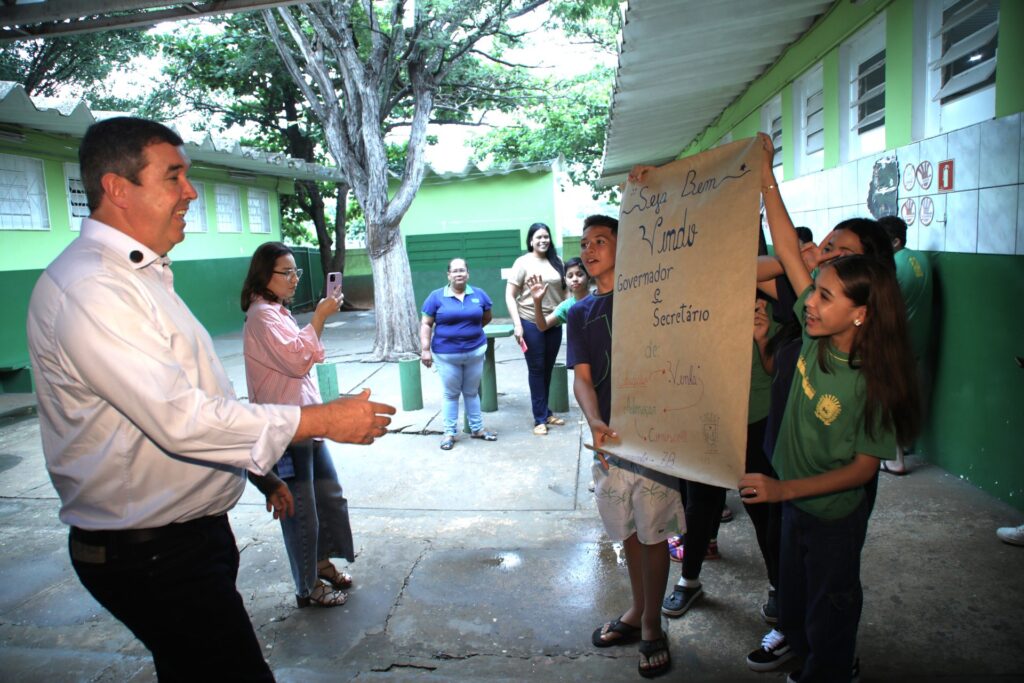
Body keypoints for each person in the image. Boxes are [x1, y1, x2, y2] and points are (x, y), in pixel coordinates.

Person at [26, 117, 395, 682]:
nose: (190, 192)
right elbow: (181, 420)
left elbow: (200, 400)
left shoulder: (141, 278)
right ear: (118, 189)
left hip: (182, 537)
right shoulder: (92, 288)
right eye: (174, 176)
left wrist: (260, 475)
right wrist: (324, 418)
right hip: (150, 553)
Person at [740, 132, 920, 682]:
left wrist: (783, 489)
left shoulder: (873, 376)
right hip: (795, 500)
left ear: (864, 299)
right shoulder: (819, 330)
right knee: (797, 591)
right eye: (815, 282)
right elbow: (792, 253)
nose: (811, 295)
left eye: (838, 262)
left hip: (828, 511)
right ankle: (802, 645)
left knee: (832, 599)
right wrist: (765, 174)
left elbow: (861, 470)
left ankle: (831, 665)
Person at [570, 213, 684, 679]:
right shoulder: (579, 312)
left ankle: (653, 624)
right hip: (610, 443)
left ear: (625, 245)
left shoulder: (651, 296)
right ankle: (638, 611)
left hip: (655, 438)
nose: (590, 249)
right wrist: (594, 420)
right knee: (630, 532)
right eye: (583, 243)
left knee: (654, 531)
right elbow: (582, 379)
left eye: (601, 240)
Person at [242, 241, 359, 608]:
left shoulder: (277, 312)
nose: (294, 279)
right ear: (265, 275)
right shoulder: (261, 316)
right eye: (287, 272)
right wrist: (320, 318)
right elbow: (297, 361)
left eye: (297, 272)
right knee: (300, 510)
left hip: (306, 421)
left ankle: (320, 563)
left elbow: (306, 359)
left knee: (328, 496)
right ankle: (306, 586)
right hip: (286, 428)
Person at [419, 257, 497, 450]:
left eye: (462, 270)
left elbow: (487, 317)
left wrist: (470, 331)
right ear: (448, 275)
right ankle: (449, 433)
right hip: (446, 356)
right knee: (451, 394)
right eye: (455, 271)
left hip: (475, 352)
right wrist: (425, 349)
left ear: (468, 274)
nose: (459, 274)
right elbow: (426, 323)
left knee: (471, 392)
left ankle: (477, 429)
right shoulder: (436, 297)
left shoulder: (479, 294)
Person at [878, 215, 933, 475]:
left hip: (895, 344)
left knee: (890, 399)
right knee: (906, 395)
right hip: (918, 341)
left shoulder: (893, 266)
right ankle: (905, 444)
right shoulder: (919, 259)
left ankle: (896, 459)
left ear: (896, 241)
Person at [505, 222, 567, 435]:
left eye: (546, 236)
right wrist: (517, 325)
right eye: (538, 237)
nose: (543, 240)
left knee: (547, 368)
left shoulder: (558, 261)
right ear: (531, 241)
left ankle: (546, 411)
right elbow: (510, 295)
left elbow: (565, 291)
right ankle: (539, 418)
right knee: (537, 369)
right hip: (530, 321)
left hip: (554, 322)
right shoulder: (522, 262)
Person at [526, 256, 590, 331]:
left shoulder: (599, 299)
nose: (575, 279)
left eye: (579, 274)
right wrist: (537, 302)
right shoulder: (566, 306)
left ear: (588, 276)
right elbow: (542, 326)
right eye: (570, 276)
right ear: (565, 280)